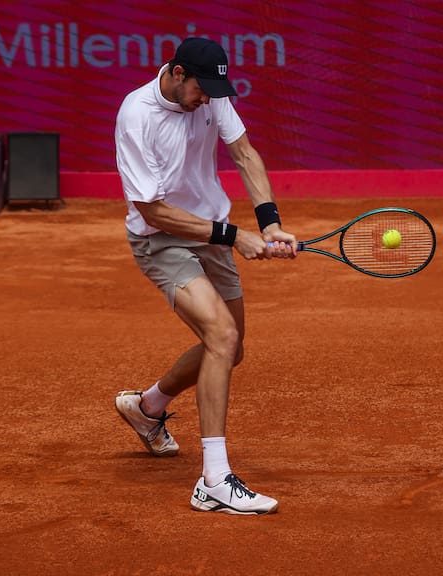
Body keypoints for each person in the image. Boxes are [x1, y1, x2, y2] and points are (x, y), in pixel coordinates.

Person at [113, 37, 297, 515]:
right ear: (176, 73)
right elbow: (154, 211)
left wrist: (270, 219)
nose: (208, 98)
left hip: (211, 232)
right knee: (220, 334)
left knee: (231, 350)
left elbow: (244, 153)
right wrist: (235, 236)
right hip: (163, 238)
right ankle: (214, 480)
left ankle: (147, 408)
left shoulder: (213, 97)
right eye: (200, 87)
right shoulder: (136, 116)